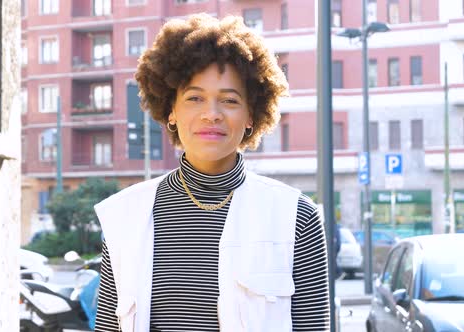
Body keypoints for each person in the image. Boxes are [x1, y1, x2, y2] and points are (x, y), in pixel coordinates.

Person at [94, 14, 330, 332]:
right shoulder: (124, 215)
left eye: (229, 100)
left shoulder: (296, 216)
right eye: (194, 98)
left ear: (251, 114)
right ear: (171, 111)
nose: (211, 114)